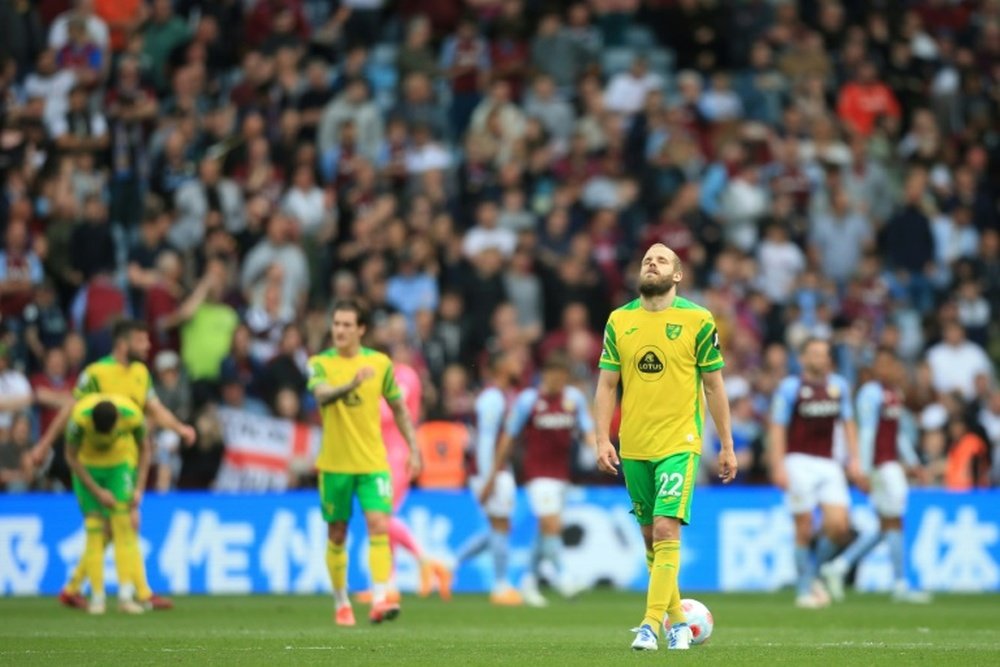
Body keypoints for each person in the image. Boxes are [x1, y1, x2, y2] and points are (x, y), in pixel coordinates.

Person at [592, 244, 737, 651]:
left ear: (677, 275)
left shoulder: (698, 320)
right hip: (634, 445)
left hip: (679, 442)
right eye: (645, 260)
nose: (650, 263)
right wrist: (602, 437)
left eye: (660, 260)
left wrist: (726, 445)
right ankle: (677, 622)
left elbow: (713, 384)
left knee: (665, 527)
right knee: (649, 540)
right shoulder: (620, 321)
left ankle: (649, 624)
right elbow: (606, 384)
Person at [33, 319, 196, 611]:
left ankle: (78, 589)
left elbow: (154, 409)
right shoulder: (96, 373)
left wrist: (180, 428)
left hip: (126, 459)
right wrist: (44, 444)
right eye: (141, 341)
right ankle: (138, 593)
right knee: (123, 524)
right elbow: (72, 409)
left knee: (119, 525)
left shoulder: (140, 373)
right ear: (124, 343)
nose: (147, 346)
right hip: (94, 461)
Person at [306, 300, 421, 627]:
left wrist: (414, 447)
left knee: (379, 524)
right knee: (338, 533)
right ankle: (341, 602)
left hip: (373, 462)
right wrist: (352, 385)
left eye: (346, 325)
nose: (339, 330)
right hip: (335, 464)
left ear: (361, 329)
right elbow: (322, 396)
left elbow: (399, 408)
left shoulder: (380, 364)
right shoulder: (319, 363)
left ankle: (382, 596)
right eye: (336, 324)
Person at [481, 351, 596, 607]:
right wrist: (492, 474)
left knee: (545, 532)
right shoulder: (528, 401)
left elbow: (587, 430)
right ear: (544, 376)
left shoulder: (573, 399)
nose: (557, 382)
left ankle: (528, 581)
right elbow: (508, 438)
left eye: (562, 377)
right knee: (551, 524)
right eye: (553, 376)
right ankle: (562, 576)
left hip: (562, 475)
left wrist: (597, 450)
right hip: (537, 474)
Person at [819, 348, 930, 603]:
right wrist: (864, 470)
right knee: (893, 522)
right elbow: (867, 433)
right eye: (881, 365)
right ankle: (900, 584)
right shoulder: (870, 393)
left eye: (890, 365)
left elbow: (898, 433)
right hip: (881, 466)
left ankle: (839, 566)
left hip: (891, 464)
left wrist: (913, 462)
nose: (887, 370)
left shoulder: (894, 393)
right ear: (874, 369)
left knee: (887, 525)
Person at [768, 337, 863, 609]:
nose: (818, 359)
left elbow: (848, 423)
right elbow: (777, 428)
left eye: (823, 354)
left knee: (840, 526)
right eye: (813, 354)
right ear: (802, 359)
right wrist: (778, 465)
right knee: (804, 526)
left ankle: (813, 575)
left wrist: (854, 459)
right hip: (798, 461)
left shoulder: (839, 386)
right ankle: (803, 589)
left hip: (829, 462)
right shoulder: (790, 388)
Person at [63, 394, 147, 614]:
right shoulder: (79, 419)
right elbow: (71, 457)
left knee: (123, 528)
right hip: (87, 468)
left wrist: (139, 488)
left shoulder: (132, 415)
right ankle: (97, 598)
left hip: (119, 467)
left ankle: (125, 597)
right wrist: (97, 492)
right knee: (94, 532)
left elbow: (147, 448)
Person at [377, 351, 451, 601]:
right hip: (383, 453)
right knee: (384, 518)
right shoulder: (386, 375)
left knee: (380, 516)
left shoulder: (404, 376)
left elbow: (390, 412)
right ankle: (388, 584)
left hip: (398, 454)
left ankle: (425, 561)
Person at [454, 350, 524, 606]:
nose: (518, 363)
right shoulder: (493, 398)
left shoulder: (503, 395)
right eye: (513, 359)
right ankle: (501, 585)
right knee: (500, 527)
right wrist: (488, 478)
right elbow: (485, 441)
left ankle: (448, 562)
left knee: (501, 528)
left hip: (498, 469)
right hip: (490, 470)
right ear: (501, 367)